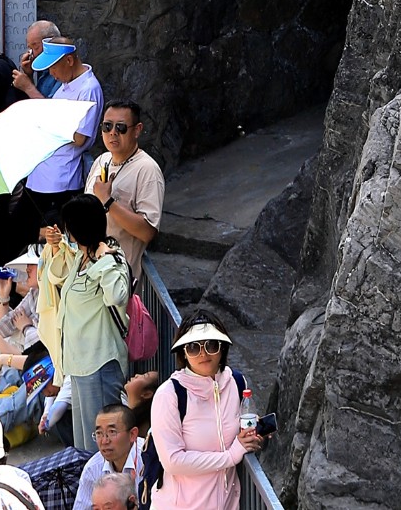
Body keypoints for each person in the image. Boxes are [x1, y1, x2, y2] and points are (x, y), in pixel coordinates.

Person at [45, 196, 129, 452]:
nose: (66, 233)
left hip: (100, 365)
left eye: (68, 228)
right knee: (84, 447)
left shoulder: (111, 256)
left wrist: (104, 261)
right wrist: (57, 247)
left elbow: (117, 296)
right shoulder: (81, 257)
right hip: (79, 366)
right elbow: (55, 276)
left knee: (102, 449)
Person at [149, 317, 260, 509]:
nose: (203, 353)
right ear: (183, 352)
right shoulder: (169, 394)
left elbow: (238, 433)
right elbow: (173, 461)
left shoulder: (237, 383)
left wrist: (252, 433)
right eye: (193, 347)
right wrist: (231, 456)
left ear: (222, 347)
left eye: (211, 345)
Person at [22, 41, 104, 230]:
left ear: (69, 60)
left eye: (53, 67)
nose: (51, 73)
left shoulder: (88, 89)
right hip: (41, 175)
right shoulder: (66, 84)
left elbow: (80, 137)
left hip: (59, 180)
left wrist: (49, 119)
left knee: (55, 236)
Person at [84, 102, 163, 286]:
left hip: (118, 281)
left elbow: (147, 231)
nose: (113, 133)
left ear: (137, 130)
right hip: (89, 271)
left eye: (120, 127)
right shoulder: (101, 160)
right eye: (107, 126)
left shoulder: (147, 169)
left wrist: (108, 201)